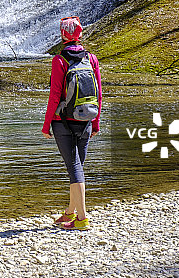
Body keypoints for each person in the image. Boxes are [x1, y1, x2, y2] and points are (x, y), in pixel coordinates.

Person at [42, 16, 102, 230]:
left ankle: (82, 218)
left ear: (63, 35)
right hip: (86, 119)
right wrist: (95, 123)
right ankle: (70, 212)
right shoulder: (91, 59)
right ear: (80, 34)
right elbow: (99, 94)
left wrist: (47, 123)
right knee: (76, 167)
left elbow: (55, 94)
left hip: (63, 122)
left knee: (74, 167)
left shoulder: (59, 60)